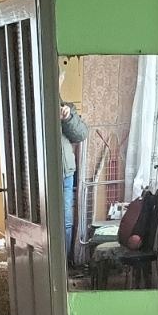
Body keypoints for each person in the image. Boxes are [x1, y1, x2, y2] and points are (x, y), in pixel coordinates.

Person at [59, 99, 88, 259]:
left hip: (65, 173)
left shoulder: (66, 108)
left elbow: (81, 134)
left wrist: (67, 118)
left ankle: (64, 264)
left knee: (66, 222)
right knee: (39, 223)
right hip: (38, 175)